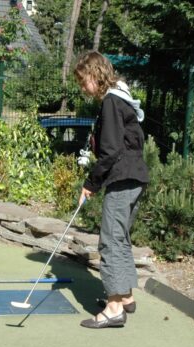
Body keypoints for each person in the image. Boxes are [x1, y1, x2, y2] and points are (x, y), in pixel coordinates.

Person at [73, 51, 149, 329]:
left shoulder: (111, 102)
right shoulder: (122, 98)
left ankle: (114, 308)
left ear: (96, 75)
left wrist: (90, 183)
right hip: (134, 177)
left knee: (111, 241)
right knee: (120, 237)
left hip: (122, 178)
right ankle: (125, 297)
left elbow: (111, 151)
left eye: (84, 81)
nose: (83, 88)